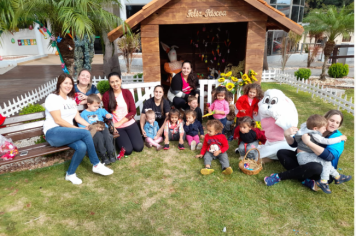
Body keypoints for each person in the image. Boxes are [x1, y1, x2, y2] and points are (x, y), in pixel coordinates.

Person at [43, 73, 113, 185]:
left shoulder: (70, 100)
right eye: (65, 83)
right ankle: (96, 164)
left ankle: (70, 174)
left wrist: (92, 126)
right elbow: (58, 120)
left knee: (82, 146)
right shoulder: (52, 98)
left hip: (68, 133)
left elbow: (78, 117)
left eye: (70, 83)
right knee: (85, 133)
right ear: (59, 84)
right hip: (54, 132)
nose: (68, 85)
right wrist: (79, 129)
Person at [263, 110, 350, 192]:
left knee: (315, 167)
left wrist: (308, 143)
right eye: (332, 120)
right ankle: (305, 180)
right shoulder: (314, 128)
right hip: (306, 158)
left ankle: (280, 176)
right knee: (282, 153)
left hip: (324, 170)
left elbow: (329, 156)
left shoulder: (337, 137)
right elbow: (294, 144)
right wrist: (286, 135)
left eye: (337, 122)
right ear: (325, 119)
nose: (334, 124)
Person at [102, 72, 144, 155]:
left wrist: (120, 122)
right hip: (117, 127)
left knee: (139, 147)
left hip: (129, 123)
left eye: (117, 81)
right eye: (112, 82)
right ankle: (121, 142)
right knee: (127, 151)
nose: (115, 84)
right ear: (109, 83)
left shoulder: (126, 92)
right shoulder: (106, 95)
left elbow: (133, 111)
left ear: (121, 80)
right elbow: (106, 114)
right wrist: (112, 126)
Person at [79, 94, 117, 165]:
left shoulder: (100, 110)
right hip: (93, 130)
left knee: (107, 136)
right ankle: (103, 155)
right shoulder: (84, 114)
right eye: (95, 106)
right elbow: (81, 123)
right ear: (88, 104)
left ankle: (110, 153)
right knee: (99, 137)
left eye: (98, 106)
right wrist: (84, 128)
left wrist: (109, 115)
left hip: (103, 127)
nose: (97, 108)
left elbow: (109, 115)